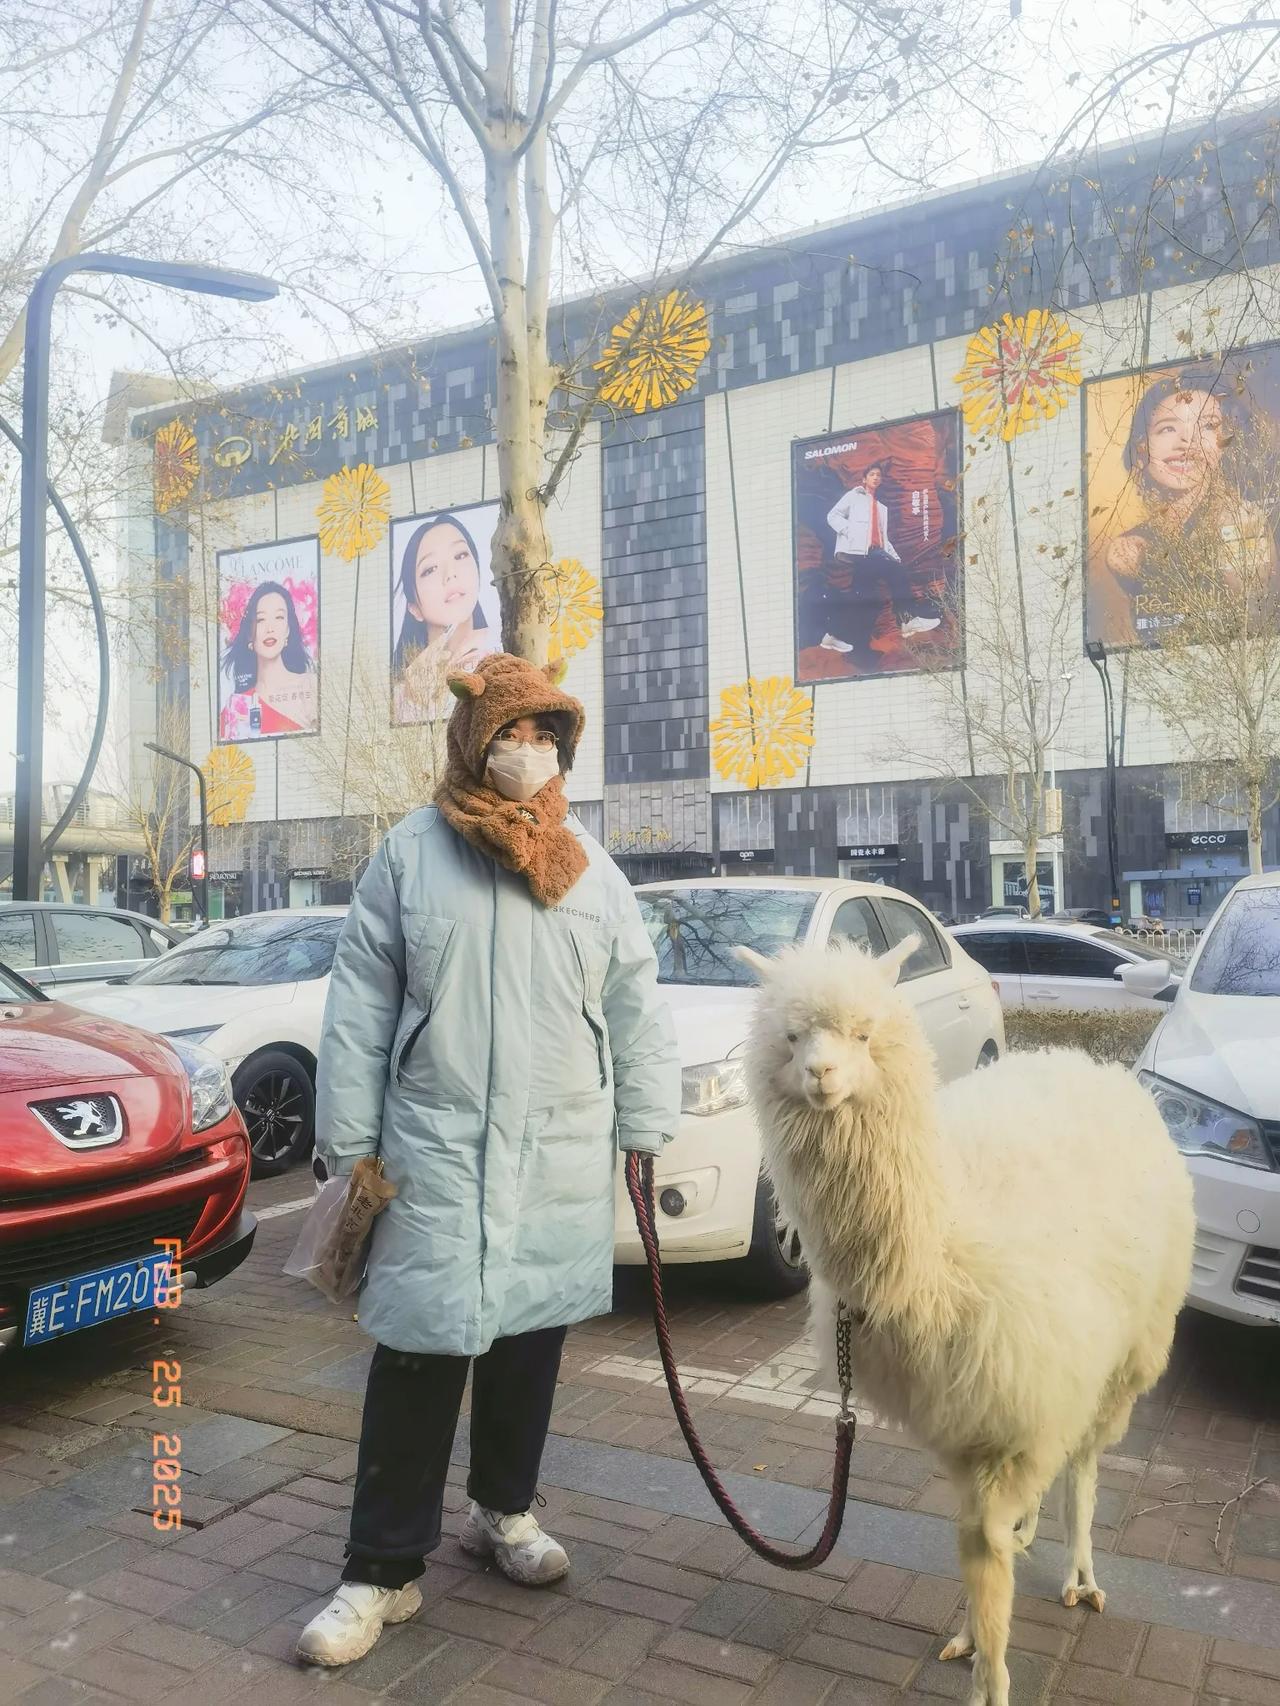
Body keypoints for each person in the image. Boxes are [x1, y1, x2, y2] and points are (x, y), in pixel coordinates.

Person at [297, 651, 680, 1669]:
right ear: (471, 738)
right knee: (419, 1352)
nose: (528, 752)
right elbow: (361, 1004)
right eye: (510, 733)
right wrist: (352, 1140)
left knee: (527, 1343)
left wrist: (645, 1123)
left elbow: (634, 1001)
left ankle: (503, 1510)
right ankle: (379, 1565)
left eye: (546, 735)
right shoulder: (410, 853)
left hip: (554, 1144)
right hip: (437, 1146)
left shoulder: (588, 864)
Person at [1087, 370, 1277, 645]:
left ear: (1225, 444)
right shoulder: (1128, 549)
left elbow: (1250, 621)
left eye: (1208, 426)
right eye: (1167, 428)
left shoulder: (1243, 523)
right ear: (1141, 447)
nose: (1187, 442)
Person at [800, 465, 940, 667]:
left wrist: (895, 557)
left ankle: (832, 635)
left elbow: (883, 538)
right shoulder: (854, 496)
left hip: (878, 552)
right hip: (862, 553)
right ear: (864, 479)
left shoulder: (881, 507)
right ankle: (907, 620)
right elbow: (833, 516)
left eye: (878, 475)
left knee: (864, 601)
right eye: (872, 474)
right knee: (895, 574)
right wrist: (850, 532)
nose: (876, 478)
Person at [392, 512, 499, 722]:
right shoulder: (405, 688)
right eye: (430, 569)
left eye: (460, 556)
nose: (450, 574)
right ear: (414, 608)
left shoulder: (503, 647)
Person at [219, 580, 316, 738]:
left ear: (288, 630)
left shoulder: (310, 685)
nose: (270, 628)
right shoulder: (237, 706)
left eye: (279, 617)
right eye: (261, 619)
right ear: (250, 634)